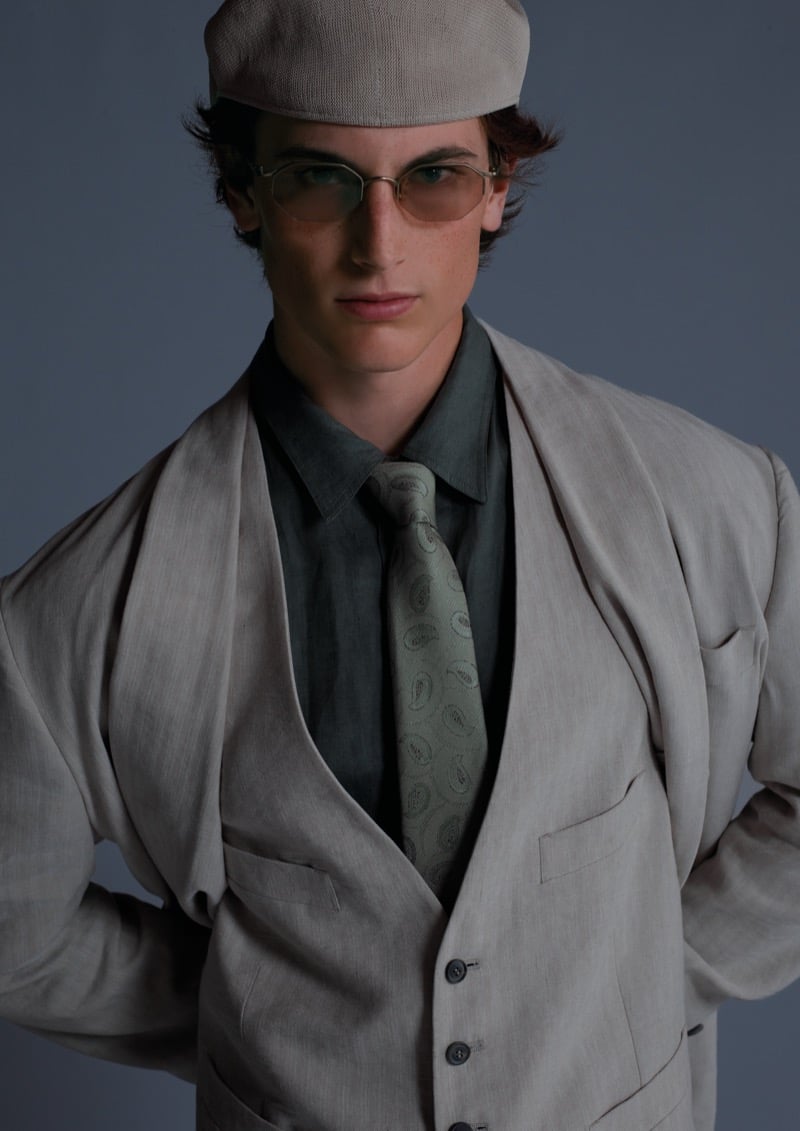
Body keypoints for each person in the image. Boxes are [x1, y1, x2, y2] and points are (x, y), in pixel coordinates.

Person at [1, 1, 799, 1129]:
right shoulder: (68, 613)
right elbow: (14, 931)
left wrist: (655, 975)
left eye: (430, 176)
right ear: (242, 192)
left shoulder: (715, 496)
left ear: (493, 191)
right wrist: (259, 1017)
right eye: (321, 179)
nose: (381, 244)